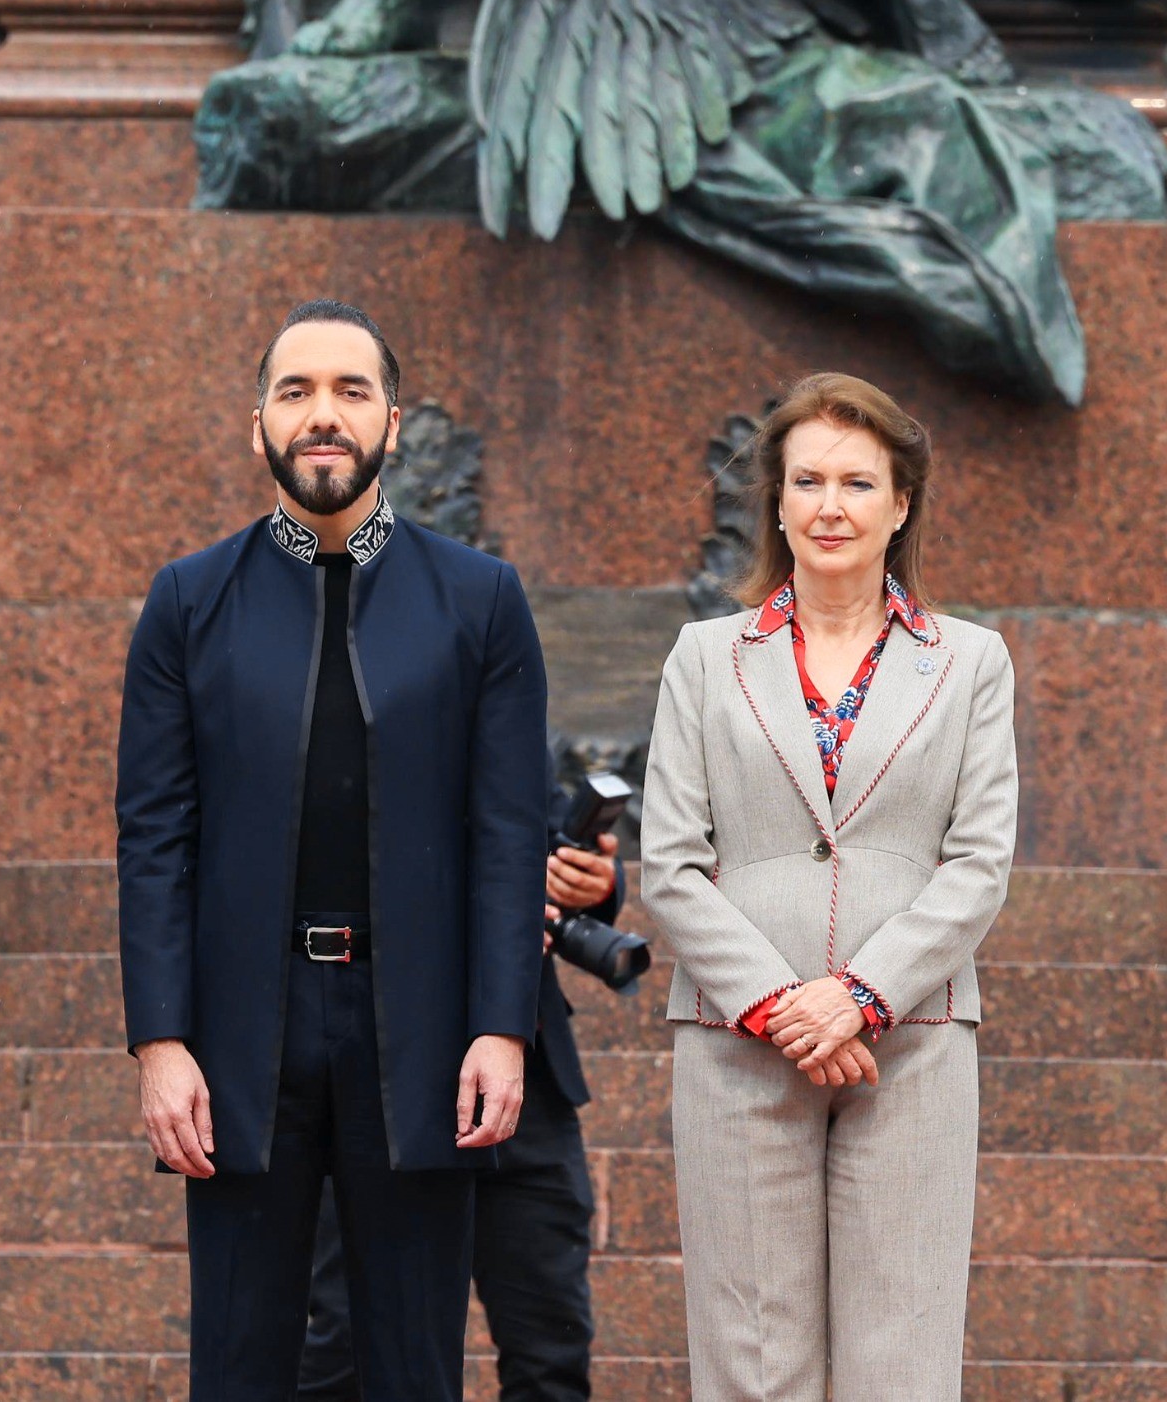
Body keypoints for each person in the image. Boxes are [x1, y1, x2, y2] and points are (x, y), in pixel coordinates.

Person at [116, 298, 550, 1402]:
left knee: (415, 1367)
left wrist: (501, 1027)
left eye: (351, 391)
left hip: (420, 1030)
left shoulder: (480, 599)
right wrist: (160, 1040)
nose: (323, 414)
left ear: (392, 423)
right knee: (237, 1365)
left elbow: (511, 834)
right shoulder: (188, 601)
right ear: (256, 422)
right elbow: (154, 837)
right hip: (240, 1034)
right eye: (296, 390)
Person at [638, 372, 1016, 1402]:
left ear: (901, 504)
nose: (830, 506)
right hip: (737, 1043)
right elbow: (669, 861)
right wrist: (779, 1004)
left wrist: (858, 995)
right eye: (806, 481)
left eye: (858, 483)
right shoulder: (706, 657)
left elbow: (979, 862)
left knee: (902, 1358)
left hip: (913, 1039)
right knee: (752, 1358)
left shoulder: (969, 663)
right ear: (776, 502)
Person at [298, 775, 626, 1402]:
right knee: (346, 1346)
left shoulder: (508, 727)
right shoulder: (339, 738)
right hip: (382, 1078)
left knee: (551, 1353)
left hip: (529, 1092)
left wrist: (595, 883)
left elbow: (555, 838)